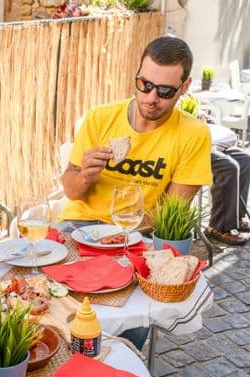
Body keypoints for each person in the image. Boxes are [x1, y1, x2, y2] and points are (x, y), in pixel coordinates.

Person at [57, 35, 212, 348]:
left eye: (165, 91)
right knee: (58, 304)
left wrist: (117, 236)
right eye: (144, 84)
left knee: (130, 323)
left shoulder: (193, 134)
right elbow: (72, 192)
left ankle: (115, 368)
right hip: (77, 226)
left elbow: (168, 214)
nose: (151, 97)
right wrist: (85, 174)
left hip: (136, 235)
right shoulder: (101, 118)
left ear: (185, 87)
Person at [204, 147, 250, 245]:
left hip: (210, 144)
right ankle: (218, 227)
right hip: (191, 146)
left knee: (246, 160)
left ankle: (235, 217)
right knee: (228, 167)